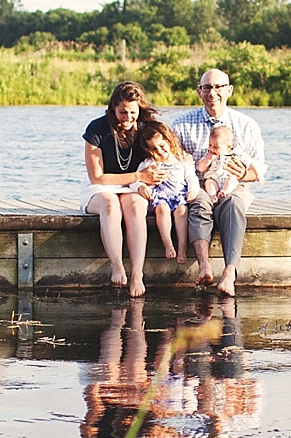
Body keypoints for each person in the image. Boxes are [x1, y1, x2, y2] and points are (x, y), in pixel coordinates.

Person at [169, 68, 265, 295]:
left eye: (219, 87)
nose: (213, 93)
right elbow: (172, 165)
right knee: (199, 203)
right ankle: (204, 266)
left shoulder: (246, 125)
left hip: (234, 183)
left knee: (233, 205)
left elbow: (258, 168)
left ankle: (229, 274)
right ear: (199, 92)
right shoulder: (182, 125)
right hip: (197, 183)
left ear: (229, 90)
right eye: (207, 87)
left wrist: (243, 174)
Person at [80, 80, 163, 296]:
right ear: (112, 109)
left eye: (132, 113)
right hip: (100, 188)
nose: (127, 118)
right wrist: (138, 175)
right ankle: (117, 265)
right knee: (110, 204)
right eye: (122, 112)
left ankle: (137, 273)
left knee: (135, 205)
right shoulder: (97, 129)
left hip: (134, 187)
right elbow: (97, 177)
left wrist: (147, 178)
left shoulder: (146, 129)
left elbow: (164, 156)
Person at [134, 119, 196, 261]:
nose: (160, 151)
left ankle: (182, 247)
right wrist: (141, 186)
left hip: (179, 195)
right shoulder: (150, 162)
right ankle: (168, 244)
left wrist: (193, 190)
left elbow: (191, 177)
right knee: (162, 210)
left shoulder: (181, 160)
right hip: (161, 196)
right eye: (154, 149)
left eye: (162, 146)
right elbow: (136, 180)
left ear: (169, 141)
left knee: (182, 211)